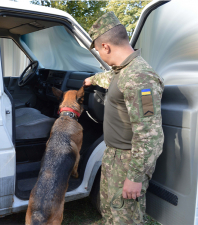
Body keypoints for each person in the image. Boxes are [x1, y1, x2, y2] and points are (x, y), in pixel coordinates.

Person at [84, 12, 164, 225]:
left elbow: (150, 134)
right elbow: (112, 78)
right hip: (113, 155)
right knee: (111, 212)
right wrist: (92, 80)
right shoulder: (123, 71)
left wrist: (135, 177)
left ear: (105, 48)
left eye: (99, 51)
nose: (101, 56)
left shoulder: (142, 78)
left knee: (126, 218)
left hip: (129, 161)